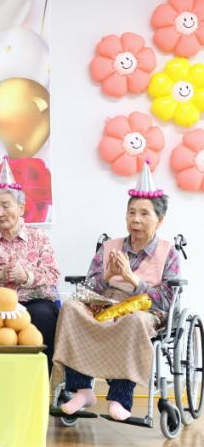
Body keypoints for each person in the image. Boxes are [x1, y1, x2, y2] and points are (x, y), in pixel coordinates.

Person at [53, 161, 180, 421]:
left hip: (145, 312)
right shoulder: (110, 247)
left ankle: (120, 397)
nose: (136, 219)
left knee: (133, 320)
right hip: (105, 305)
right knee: (72, 308)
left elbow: (168, 300)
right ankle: (82, 390)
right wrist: (108, 276)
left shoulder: (168, 253)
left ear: (160, 220)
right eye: (131, 212)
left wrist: (133, 280)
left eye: (144, 214)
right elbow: (86, 291)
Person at [0, 157, 60, 372]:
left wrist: (26, 276)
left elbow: (53, 274)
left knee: (42, 316)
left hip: (32, 303)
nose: (0, 213)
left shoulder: (39, 237)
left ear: (21, 208)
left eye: (6, 205)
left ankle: (39, 381)